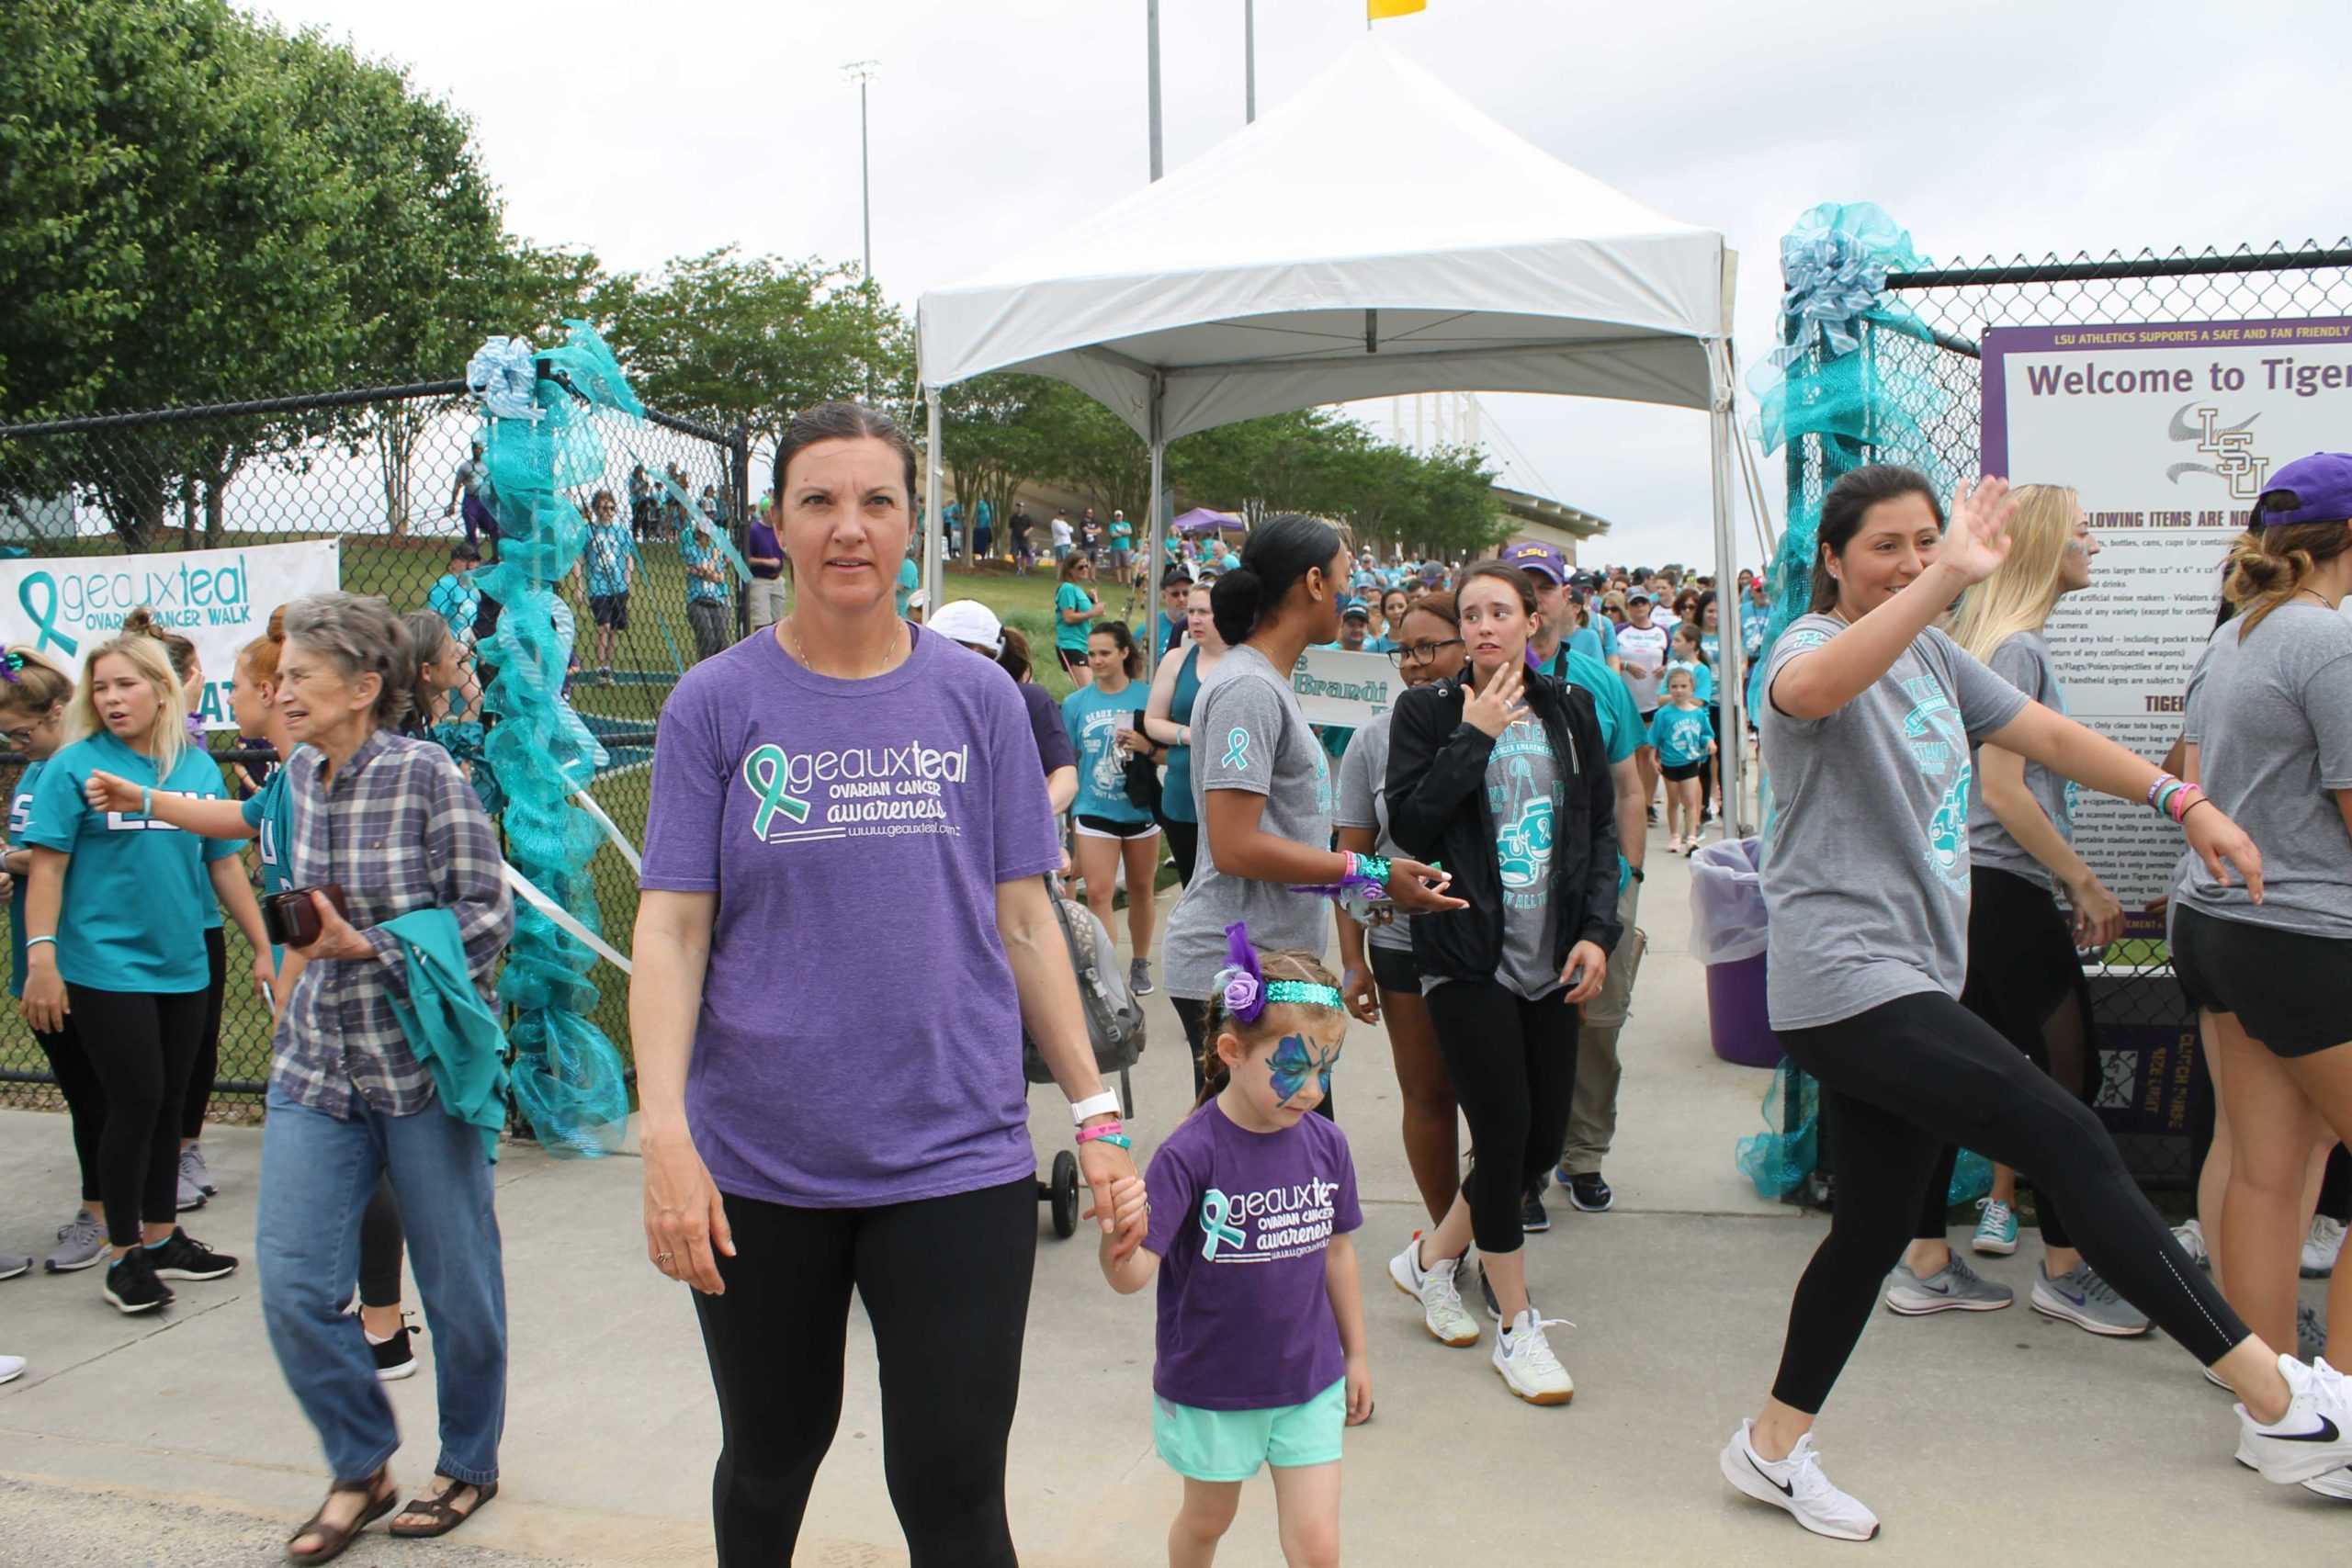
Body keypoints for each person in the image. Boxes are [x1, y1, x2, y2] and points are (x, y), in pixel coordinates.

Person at [1720, 465, 2343, 1541]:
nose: (1913, 563)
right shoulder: (1801, 649)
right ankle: (2279, 1401)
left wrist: (2182, 800)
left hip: (1916, 971)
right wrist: (1948, 578)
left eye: (1928, 542)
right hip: (1845, 982)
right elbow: (1813, 694)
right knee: (2066, 1136)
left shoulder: (1930, 655)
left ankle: (1769, 1446)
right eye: (1886, 547)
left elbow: (2045, 738)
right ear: (1831, 559)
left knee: (1870, 1229)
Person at [631, 401, 1143, 1567]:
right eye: (818, 501)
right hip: (757, 1167)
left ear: (916, 524)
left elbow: (1026, 921)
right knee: (768, 1462)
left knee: (954, 1495)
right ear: (777, 526)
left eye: (876, 502)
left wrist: (1096, 1117)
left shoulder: (979, 702)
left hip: (954, 1159)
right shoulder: (715, 704)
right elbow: (671, 932)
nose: (847, 528)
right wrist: (666, 1136)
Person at [232, 592, 514, 1558]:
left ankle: (469, 1462)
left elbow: (487, 917)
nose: (284, 692)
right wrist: (294, 949)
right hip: (315, 1069)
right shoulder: (294, 777)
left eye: (302, 676)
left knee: (457, 1284)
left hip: (421, 1073)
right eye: (280, 678)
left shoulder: (429, 777)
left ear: (363, 688)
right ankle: (361, 1463)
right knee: (294, 1286)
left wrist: (375, 946)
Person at [1882, 485, 2146, 1335]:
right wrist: (2083, 879)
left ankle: (1926, 1254)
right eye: (2082, 529)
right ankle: (2064, 1267)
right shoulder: (2015, 649)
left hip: (1979, 890)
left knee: (1967, 1078)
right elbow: (2003, 790)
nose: (2094, 545)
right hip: (2001, 888)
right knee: (2068, 1077)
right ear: (2041, 546)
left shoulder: (1990, 642)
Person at [1383, 561, 1618, 1405]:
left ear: (1531, 622)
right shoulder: (1425, 711)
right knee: (1506, 1126)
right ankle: (1517, 1327)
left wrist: (1597, 931)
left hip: (1551, 955)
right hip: (1464, 953)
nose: (1484, 626)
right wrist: (1473, 732)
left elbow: (1596, 828)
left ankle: (1427, 1258)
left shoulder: (1570, 709)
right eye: (1471, 613)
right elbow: (1406, 825)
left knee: (1541, 1146)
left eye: (1500, 612)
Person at [2171, 455, 2352, 1439]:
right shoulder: (2326, 642)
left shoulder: (2234, 635)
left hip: (2221, 924)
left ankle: (2276, 1407)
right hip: (2304, 935)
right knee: (2275, 1169)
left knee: (2265, 1167)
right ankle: (2341, 1405)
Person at [1159, 514, 1462, 1104]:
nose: (1352, 597)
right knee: (1256, 1166)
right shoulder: (1247, 690)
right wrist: (1372, 873)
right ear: (1316, 582)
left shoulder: (1267, 683)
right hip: (1237, 968)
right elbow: (1235, 845)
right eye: (1346, 578)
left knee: (1291, 1165)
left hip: (1285, 964)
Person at [1098, 931, 1367, 1568]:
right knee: (1207, 1519)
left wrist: (1355, 1352)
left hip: (1309, 1380)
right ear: (1231, 1052)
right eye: (1295, 1066)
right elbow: (1135, 1273)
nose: (1312, 1088)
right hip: (1214, 1388)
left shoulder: (1327, 1145)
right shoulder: (1191, 1152)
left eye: (1324, 1068)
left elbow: (1338, 1252)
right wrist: (1118, 1238)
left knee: (1318, 1547)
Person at [20, 629, 251, 1315]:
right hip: (104, 964)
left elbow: (223, 861)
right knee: (137, 1098)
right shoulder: (74, 768)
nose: (113, 698)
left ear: (161, 688)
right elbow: (48, 870)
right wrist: (42, 956)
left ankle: (163, 1234)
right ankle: (123, 1255)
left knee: (174, 1099)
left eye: (126, 684)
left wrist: (263, 946)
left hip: (182, 961)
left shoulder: (195, 768)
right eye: (101, 687)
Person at [1513, 547, 1647, 1220]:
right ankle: (1523, 1166)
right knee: (1519, 1025)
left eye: (1545, 588)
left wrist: (1630, 875)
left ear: (1568, 601)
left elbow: (1629, 786)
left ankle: (1584, 1153)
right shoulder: (1481, 684)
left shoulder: (1599, 682)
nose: (1535, 602)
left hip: (1598, 884)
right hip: (1516, 887)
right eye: (1522, 588)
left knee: (1597, 1022)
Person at [1336, 592, 1467, 1225]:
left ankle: (1495, 1222)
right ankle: (1449, 1240)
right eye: (1404, 650)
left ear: (1470, 643)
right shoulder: (1371, 740)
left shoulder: (1512, 724)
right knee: (1428, 1093)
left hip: (1500, 944)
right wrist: (1353, 958)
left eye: (1428, 648)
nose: (1413, 664)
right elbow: (1351, 857)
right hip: (1401, 944)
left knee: (1501, 1099)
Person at [0, 648, 110, 1275]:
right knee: (78, 1089)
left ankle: (100, 1211)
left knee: (97, 1093)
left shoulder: (78, 769)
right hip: (36, 960)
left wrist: (17, 859)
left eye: (25, 731)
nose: (19, 743)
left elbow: (70, 859)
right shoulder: (35, 771)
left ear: (60, 712)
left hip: (79, 959)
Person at [1063, 621, 1163, 998]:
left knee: (1141, 889)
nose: (1097, 660)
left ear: (1124, 653)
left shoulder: (1148, 697)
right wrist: (1068, 817)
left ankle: (1139, 962)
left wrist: (1145, 746)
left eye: (1105, 652)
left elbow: (1172, 752)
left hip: (1140, 809)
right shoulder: (1076, 704)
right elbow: (1066, 761)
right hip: (1093, 809)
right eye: (1091, 654)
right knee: (1100, 892)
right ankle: (1108, 970)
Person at [931, 601, 1080, 836]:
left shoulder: (1027, 700)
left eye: (956, 649)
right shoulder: (918, 705)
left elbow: (1065, 780)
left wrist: (1024, 823)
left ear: (991, 653)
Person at [1142, 579, 1227, 888]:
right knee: (1191, 886)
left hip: (1229, 796)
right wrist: (1188, 735)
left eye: (1204, 611)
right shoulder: (1177, 659)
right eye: (1191, 611)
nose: (1194, 619)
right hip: (1182, 795)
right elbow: (1153, 721)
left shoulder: (1245, 661)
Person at [1615, 591, 1671, 823]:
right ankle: (1633, 803)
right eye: (1634, 603)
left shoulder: (1662, 633)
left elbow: (1672, 661)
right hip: (1628, 700)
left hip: (1653, 700)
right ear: (1628, 607)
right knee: (1632, 754)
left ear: (1650, 605)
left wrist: (1665, 669)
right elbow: (1609, 659)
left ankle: (1648, 803)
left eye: (1643, 602)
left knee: (1649, 753)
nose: (1639, 607)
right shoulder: (1620, 632)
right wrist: (1627, 665)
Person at [1651, 668, 1714, 854]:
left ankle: (1692, 837)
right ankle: (1674, 835)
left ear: (1692, 688)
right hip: (1670, 763)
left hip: (1691, 762)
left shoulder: (1698, 713)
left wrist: (1709, 742)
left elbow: (1705, 733)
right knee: (1673, 801)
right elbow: (1655, 738)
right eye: (1674, 686)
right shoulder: (1663, 714)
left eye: (1683, 686)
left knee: (1690, 801)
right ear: (1668, 688)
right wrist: (1653, 757)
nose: (1679, 690)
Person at [581, 489, 635, 682]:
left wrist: (628, 579)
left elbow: (629, 557)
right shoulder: (588, 531)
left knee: (613, 630)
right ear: (596, 509)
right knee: (604, 626)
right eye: (604, 508)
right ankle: (600, 667)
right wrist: (579, 586)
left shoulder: (621, 532)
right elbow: (580, 558)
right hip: (597, 586)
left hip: (618, 587)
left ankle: (607, 667)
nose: (609, 511)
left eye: (612, 508)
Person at [681, 510, 733, 662]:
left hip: (717, 599)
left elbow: (720, 576)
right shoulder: (692, 547)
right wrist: (715, 559)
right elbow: (706, 570)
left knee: (722, 642)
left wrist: (705, 571)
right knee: (707, 639)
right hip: (697, 599)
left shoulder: (715, 546)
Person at [1054, 553, 1102, 685]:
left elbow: (1090, 611)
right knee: (1086, 692)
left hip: (1083, 645)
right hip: (1071, 644)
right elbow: (1068, 617)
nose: (1085, 569)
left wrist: (1092, 599)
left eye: (1087, 565)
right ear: (1070, 569)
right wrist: (1094, 612)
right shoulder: (1067, 588)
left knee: (1088, 691)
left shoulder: (1077, 589)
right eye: (1081, 567)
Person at [446, 441, 495, 556]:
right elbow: (457, 485)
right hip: (471, 500)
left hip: (486, 499)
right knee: (471, 527)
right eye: (475, 448)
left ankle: (495, 556)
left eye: (479, 449)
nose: (477, 451)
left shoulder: (489, 465)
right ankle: (474, 555)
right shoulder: (465, 467)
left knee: (492, 527)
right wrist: (452, 503)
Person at [744, 500, 786, 633]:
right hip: (760, 581)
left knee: (778, 623)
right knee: (762, 623)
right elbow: (747, 559)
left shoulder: (777, 529)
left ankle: (775, 652)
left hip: (777, 580)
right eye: (771, 510)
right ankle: (760, 651)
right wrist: (766, 562)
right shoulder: (754, 530)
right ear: (765, 512)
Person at [1108, 508, 1134, 574]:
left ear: (1122, 516)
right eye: (1117, 516)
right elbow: (1113, 535)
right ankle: (1120, 582)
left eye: (1120, 516)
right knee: (1117, 566)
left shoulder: (1126, 524)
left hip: (1125, 547)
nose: (1118, 517)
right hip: (1115, 548)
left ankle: (1128, 582)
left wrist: (1119, 531)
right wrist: (1124, 533)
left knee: (1127, 565)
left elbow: (1129, 532)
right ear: (1115, 517)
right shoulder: (1112, 525)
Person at [1010, 508, 1035, 575]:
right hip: (1015, 538)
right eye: (1018, 507)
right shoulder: (1013, 517)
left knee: (1024, 555)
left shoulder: (1027, 517)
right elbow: (1010, 527)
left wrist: (1027, 531)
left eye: (1021, 507)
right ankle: (1018, 568)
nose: (1020, 509)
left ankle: (1023, 572)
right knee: (1014, 553)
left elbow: (1032, 526)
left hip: (1024, 538)